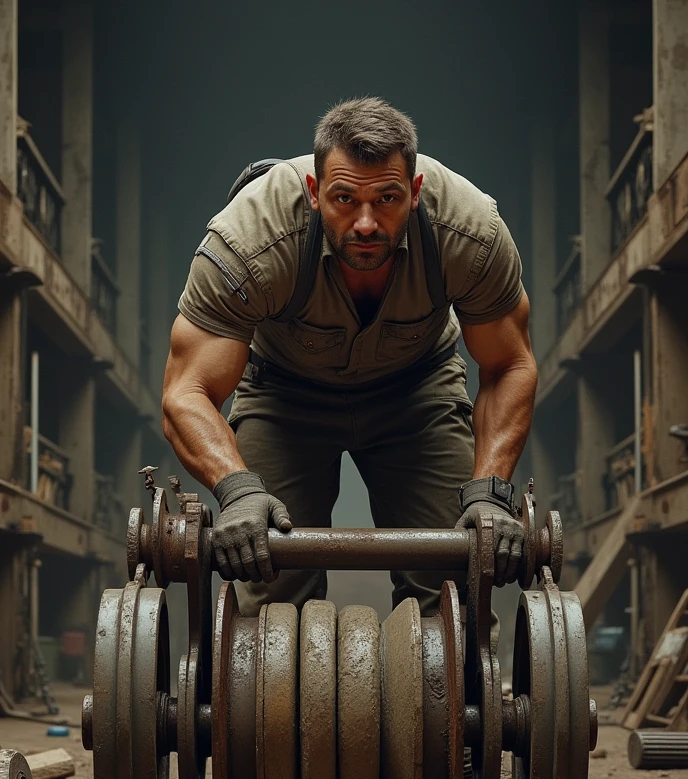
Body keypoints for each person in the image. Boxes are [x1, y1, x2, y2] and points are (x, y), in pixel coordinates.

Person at [162, 97, 538, 622]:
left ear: (415, 191)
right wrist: (237, 489)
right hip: (283, 393)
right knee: (268, 586)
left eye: (387, 198)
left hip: (416, 392)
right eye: (344, 198)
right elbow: (186, 391)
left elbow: (509, 366)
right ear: (314, 193)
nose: (366, 222)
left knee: (455, 583)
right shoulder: (249, 241)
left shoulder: (470, 234)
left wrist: (491, 492)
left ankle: (458, 696)